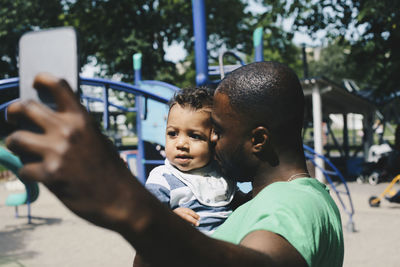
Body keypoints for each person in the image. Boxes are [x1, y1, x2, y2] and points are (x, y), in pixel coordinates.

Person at [6, 61, 344, 267]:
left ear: (258, 140)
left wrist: (129, 206)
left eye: (219, 132)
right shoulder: (268, 200)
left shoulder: (290, 205)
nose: (211, 141)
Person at [145, 87, 237, 235]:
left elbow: (236, 202)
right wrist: (169, 219)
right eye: (173, 134)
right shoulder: (162, 178)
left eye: (194, 136)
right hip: (188, 252)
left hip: (227, 251)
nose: (181, 144)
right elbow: (146, 217)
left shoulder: (221, 173)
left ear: (213, 138)